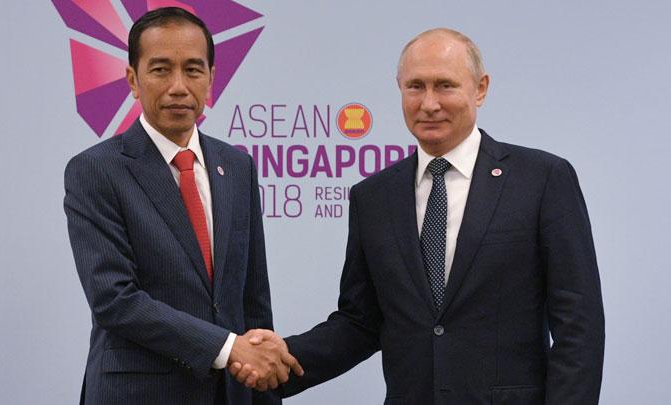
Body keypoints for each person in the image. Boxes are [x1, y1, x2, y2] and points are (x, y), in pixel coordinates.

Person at [232, 28, 605, 404]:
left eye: (445, 85)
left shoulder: (541, 179)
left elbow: (579, 324)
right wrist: (282, 360)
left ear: (480, 89)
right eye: (415, 86)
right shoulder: (372, 197)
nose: (429, 103)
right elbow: (361, 322)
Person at [64, 7, 300, 405]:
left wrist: (262, 383)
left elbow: (252, 299)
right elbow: (114, 299)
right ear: (133, 80)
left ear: (211, 79)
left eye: (193, 70)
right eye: (160, 70)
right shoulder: (96, 170)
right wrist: (228, 347)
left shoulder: (237, 166)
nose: (178, 86)